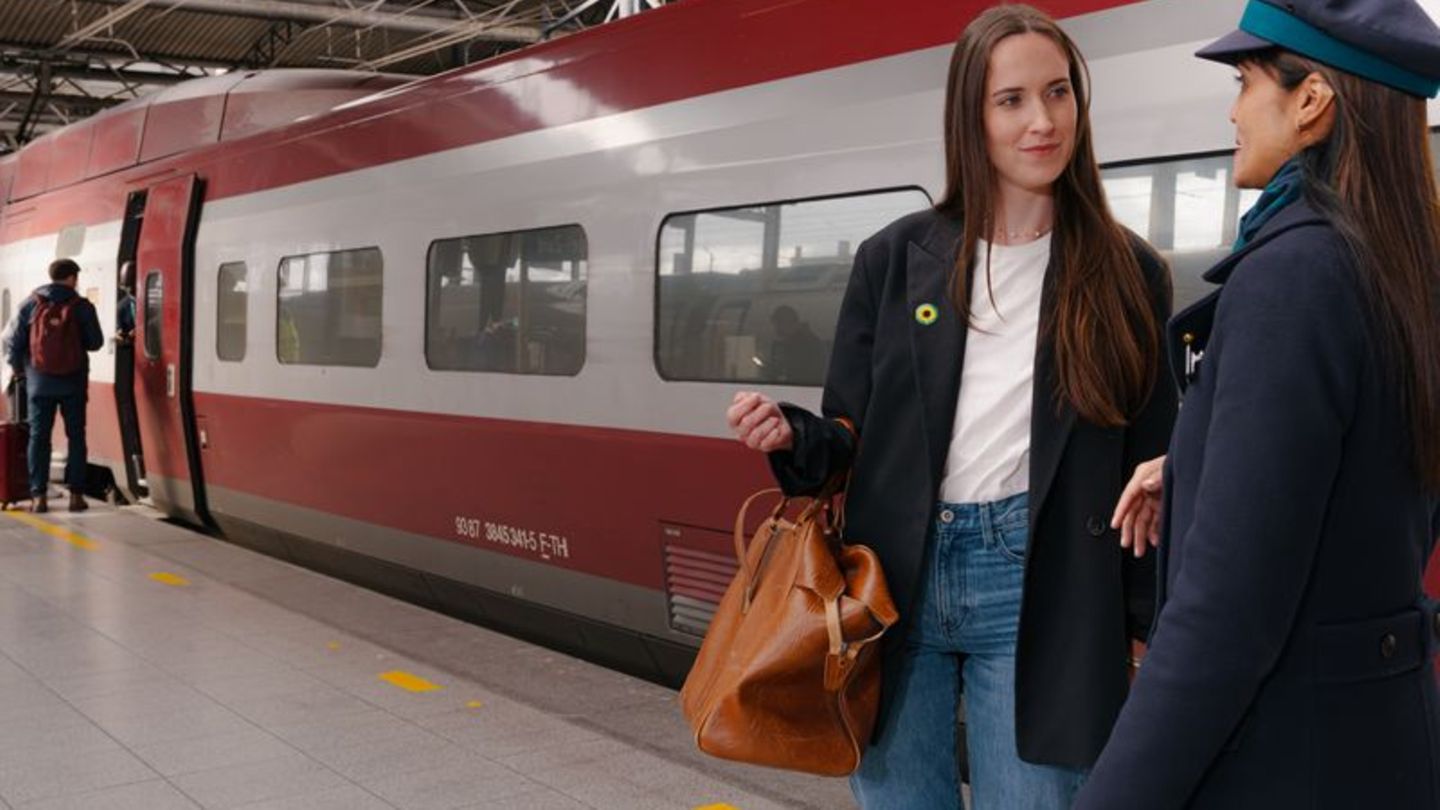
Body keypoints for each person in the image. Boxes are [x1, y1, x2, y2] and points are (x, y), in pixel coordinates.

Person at [726, 5, 1176, 807]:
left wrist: (1143, 620)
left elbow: (1149, 469)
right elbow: (845, 437)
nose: (1043, 121)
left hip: (1044, 584)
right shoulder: (896, 259)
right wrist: (792, 436)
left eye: (1059, 93)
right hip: (893, 582)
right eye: (1012, 100)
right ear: (972, 116)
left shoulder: (1126, 272)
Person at [1075, 1, 1440, 807]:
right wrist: (1202, 462)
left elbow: (1226, 615)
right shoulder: (1403, 264)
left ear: (1311, 101)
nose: (1233, 109)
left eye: (1245, 82)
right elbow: (1381, 475)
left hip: (1285, 759)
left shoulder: (1292, 276)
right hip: (1378, 742)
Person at [8, 258, 105, 513]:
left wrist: (21, 371)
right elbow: (96, 342)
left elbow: (12, 343)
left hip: (39, 384)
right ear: (73, 278)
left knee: (39, 437)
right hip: (73, 383)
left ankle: (38, 497)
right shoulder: (81, 306)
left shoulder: (31, 303)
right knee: (76, 437)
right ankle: (76, 496)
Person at [766, 304, 826, 384]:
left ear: (785, 323)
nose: (775, 329)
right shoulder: (784, 342)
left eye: (777, 324)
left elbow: (799, 373)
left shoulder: (807, 344)